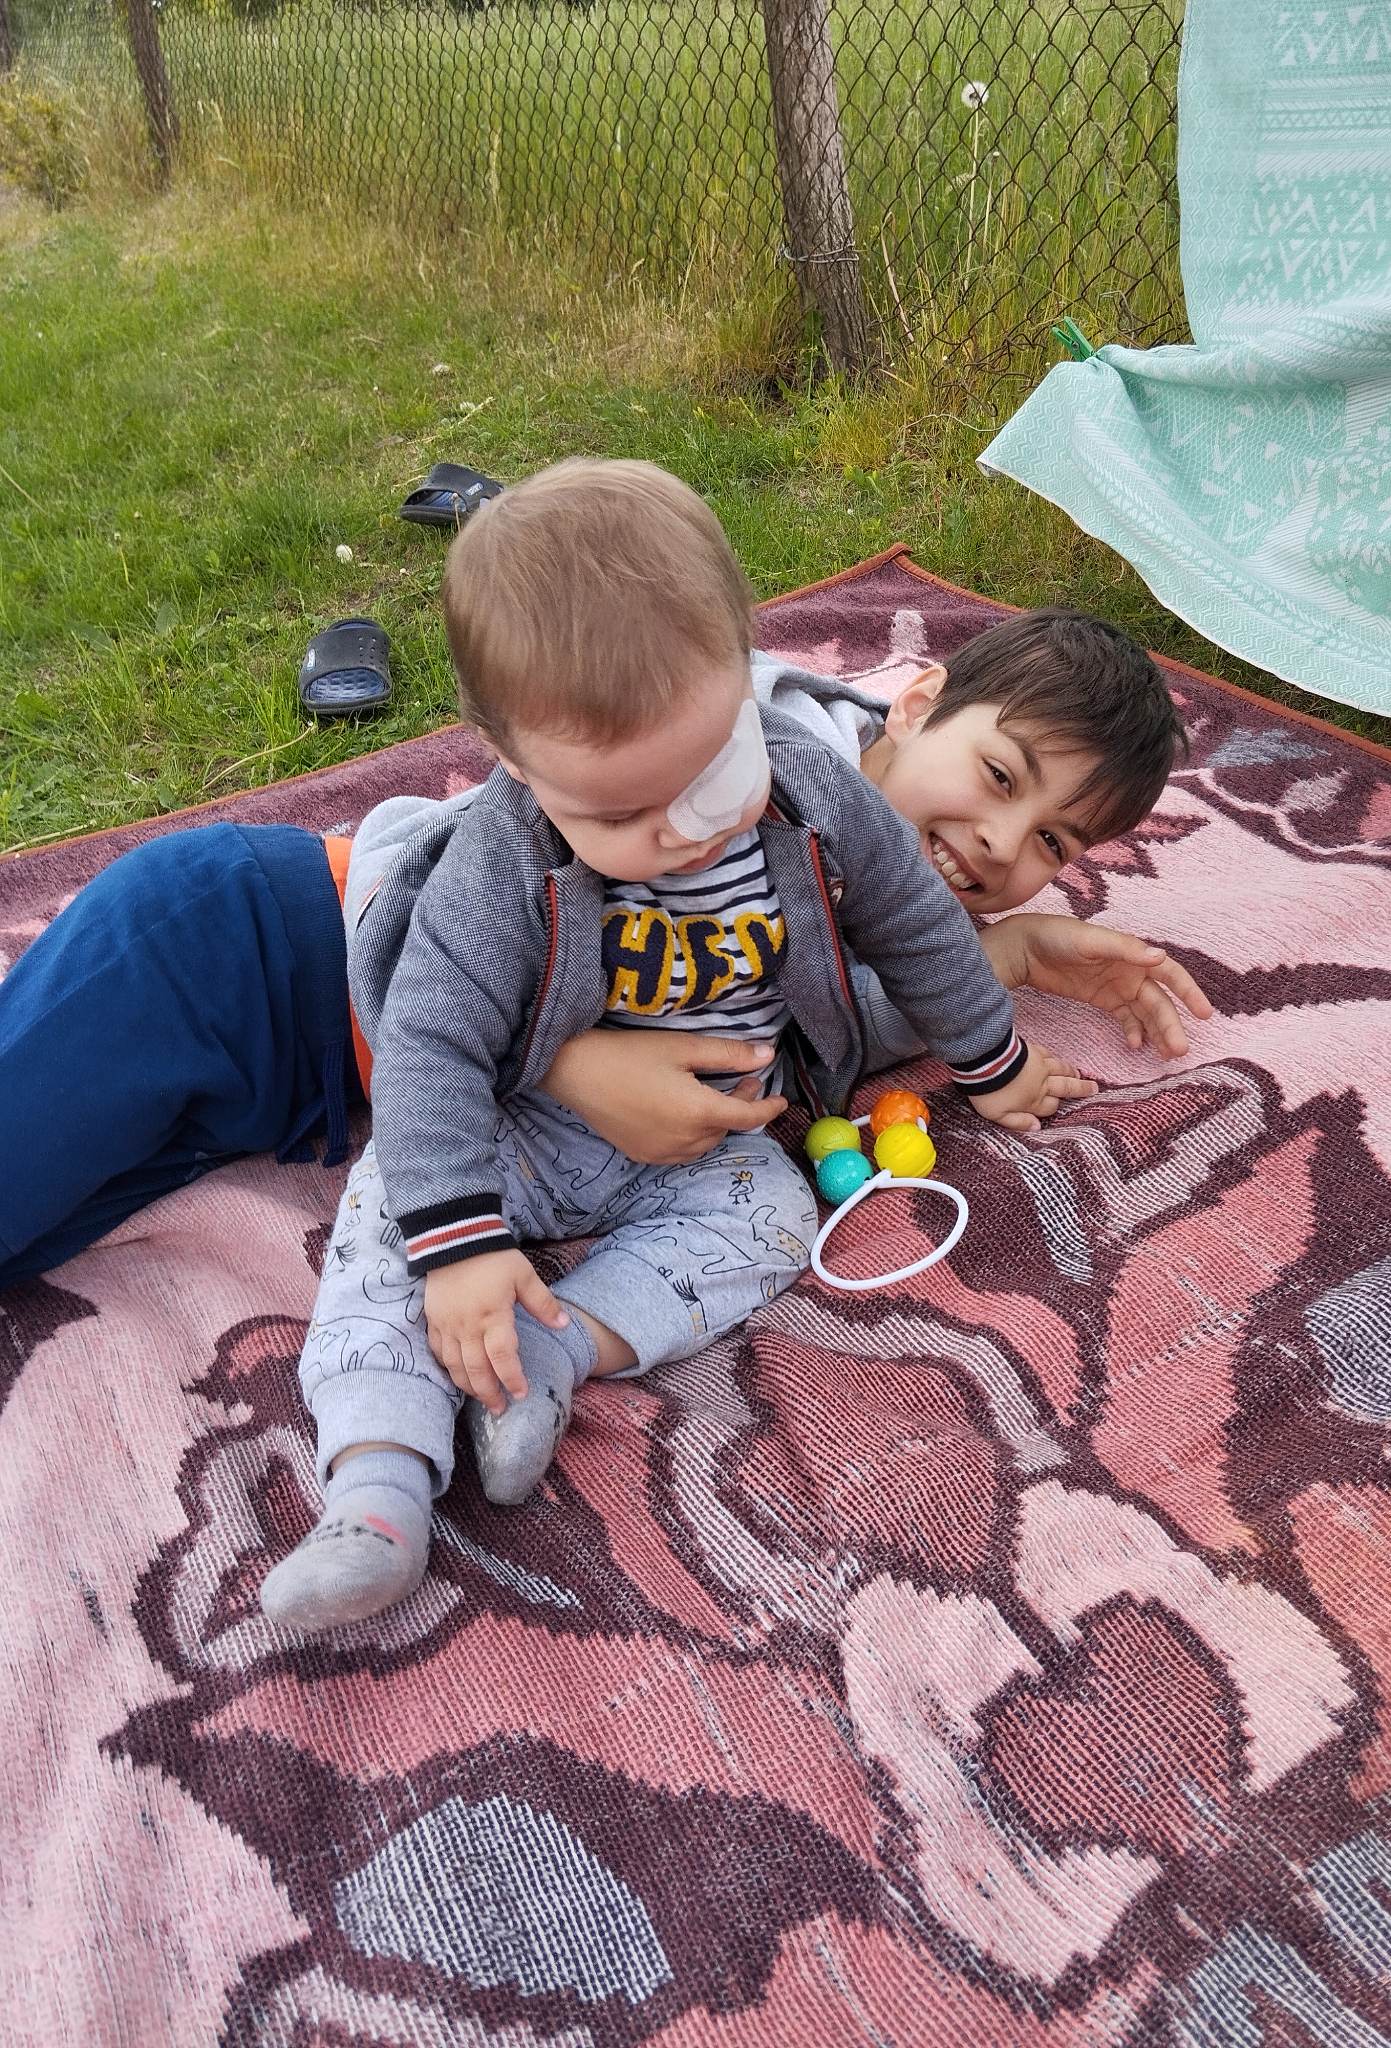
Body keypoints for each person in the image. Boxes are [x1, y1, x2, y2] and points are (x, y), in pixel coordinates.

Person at [258, 457, 1089, 1632]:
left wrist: (992, 1061)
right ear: (514, 759)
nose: (680, 831)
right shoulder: (501, 858)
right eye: (617, 814)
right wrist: (459, 1244)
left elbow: (912, 919)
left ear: (743, 677)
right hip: (521, 1131)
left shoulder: (808, 784)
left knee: (775, 1213)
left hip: (701, 1156)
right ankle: (376, 1485)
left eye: (709, 775)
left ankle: (554, 1352)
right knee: (389, 1220)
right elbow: (433, 1042)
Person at [0, 572, 1205, 1294]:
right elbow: (470, 908)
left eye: (1054, 844)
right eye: (1000, 776)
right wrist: (569, 1062)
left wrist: (1013, 952)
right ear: (919, 700)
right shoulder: (726, 751)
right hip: (256, 947)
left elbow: (826, 1021)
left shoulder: (869, 900)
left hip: (291, 1094)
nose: (1000, 842)